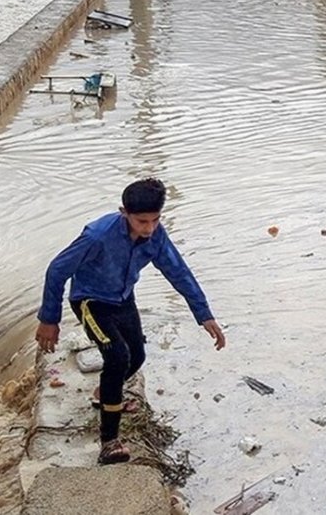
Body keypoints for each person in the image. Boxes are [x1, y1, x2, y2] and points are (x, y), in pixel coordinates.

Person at [35, 178, 226, 465]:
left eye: (155, 220)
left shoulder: (156, 235)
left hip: (123, 297)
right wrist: (49, 318)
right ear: (124, 212)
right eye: (141, 221)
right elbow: (57, 270)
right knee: (116, 355)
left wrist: (204, 314)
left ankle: (105, 393)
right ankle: (109, 441)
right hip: (91, 299)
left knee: (136, 356)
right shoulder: (98, 236)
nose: (148, 228)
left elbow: (178, 271)